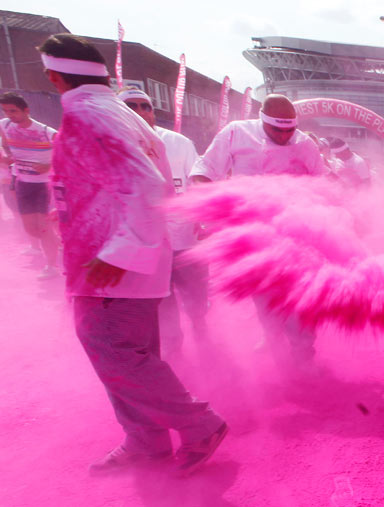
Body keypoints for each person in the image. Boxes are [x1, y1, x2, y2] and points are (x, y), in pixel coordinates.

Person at [39, 33, 227, 476]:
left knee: (115, 353)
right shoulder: (115, 111)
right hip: (121, 259)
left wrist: (119, 253)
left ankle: (199, 425)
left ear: (52, 75)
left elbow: (146, 185)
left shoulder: (89, 114)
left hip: (110, 265)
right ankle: (146, 442)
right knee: (131, 355)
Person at [190, 93, 325, 363]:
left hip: (294, 234)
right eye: (278, 129)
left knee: (299, 295)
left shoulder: (306, 144)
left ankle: (303, 355)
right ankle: (273, 337)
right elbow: (203, 173)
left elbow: (324, 187)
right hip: (251, 234)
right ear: (262, 120)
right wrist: (218, 209)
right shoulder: (236, 133)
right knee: (263, 294)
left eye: (291, 130)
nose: (286, 136)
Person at [118, 87, 209, 356]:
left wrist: (203, 218)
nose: (141, 112)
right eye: (132, 106)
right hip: (146, 245)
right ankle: (174, 348)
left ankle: (202, 331)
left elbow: (197, 182)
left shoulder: (179, 142)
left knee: (197, 297)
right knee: (163, 302)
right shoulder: (112, 146)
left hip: (184, 239)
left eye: (145, 106)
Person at [0, 92, 60, 277]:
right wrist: (7, 158)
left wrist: (48, 166)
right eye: (6, 111)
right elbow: (6, 146)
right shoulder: (4, 125)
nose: (10, 115)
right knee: (30, 228)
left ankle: (51, 266)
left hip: (44, 185)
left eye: (14, 111)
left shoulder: (47, 132)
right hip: (23, 183)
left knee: (43, 227)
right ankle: (57, 241)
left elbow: (68, 156)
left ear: (26, 110)